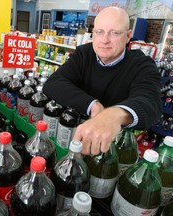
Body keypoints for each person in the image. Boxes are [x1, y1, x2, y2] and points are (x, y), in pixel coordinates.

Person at [43, 7, 162, 155]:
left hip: (112, 146)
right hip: (75, 137)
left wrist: (114, 115)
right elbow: (53, 83)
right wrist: (93, 105)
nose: (105, 40)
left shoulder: (142, 65)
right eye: (99, 32)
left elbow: (151, 102)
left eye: (115, 33)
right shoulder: (84, 54)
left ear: (128, 36)